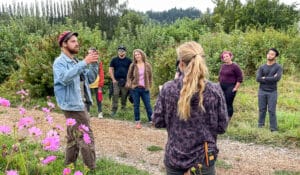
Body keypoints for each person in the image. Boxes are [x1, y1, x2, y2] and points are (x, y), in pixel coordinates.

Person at [152, 41, 229, 175]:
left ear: (181, 63)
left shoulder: (168, 88)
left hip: (175, 158)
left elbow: (157, 121)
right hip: (203, 160)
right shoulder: (215, 90)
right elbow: (222, 127)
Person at [53, 31, 98, 170]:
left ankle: (69, 165)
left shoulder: (75, 61)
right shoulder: (59, 62)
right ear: (64, 44)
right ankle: (90, 168)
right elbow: (64, 78)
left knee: (73, 136)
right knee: (86, 136)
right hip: (72, 106)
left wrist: (94, 64)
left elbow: (89, 79)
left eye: (76, 41)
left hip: (80, 102)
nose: (77, 43)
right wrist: (84, 62)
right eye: (72, 41)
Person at [256, 48, 282, 132]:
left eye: (272, 54)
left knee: (271, 110)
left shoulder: (278, 67)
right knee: (262, 109)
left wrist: (264, 78)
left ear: (275, 56)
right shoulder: (262, 67)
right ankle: (260, 125)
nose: (269, 55)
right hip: (262, 91)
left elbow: (277, 78)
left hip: (272, 91)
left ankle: (273, 128)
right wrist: (270, 78)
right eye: (269, 54)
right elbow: (258, 78)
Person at [126, 49, 153, 129]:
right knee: (136, 105)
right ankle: (137, 122)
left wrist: (150, 85)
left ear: (142, 55)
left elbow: (151, 76)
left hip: (145, 89)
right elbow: (129, 76)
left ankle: (152, 121)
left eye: (138, 54)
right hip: (135, 89)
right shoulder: (133, 65)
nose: (137, 56)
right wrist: (130, 84)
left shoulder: (147, 65)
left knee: (148, 105)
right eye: (135, 55)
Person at [218, 51, 243, 118]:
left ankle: (228, 118)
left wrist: (236, 88)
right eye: (224, 57)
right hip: (221, 86)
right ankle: (223, 117)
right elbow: (220, 76)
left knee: (228, 102)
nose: (226, 58)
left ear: (231, 57)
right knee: (222, 102)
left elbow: (240, 77)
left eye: (227, 56)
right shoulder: (223, 66)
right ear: (223, 59)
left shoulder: (235, 66)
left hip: (230, 86)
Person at [109, 45, 132, 117]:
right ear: (118, 52)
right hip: (116, 80)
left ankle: (123, 109)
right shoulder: (114, 60)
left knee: (124, 95)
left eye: (122, 51)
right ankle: (114, 110)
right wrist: (113, 79)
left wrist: (129, 81)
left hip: (125, 81)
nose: (121, 52)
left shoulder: (129, 60)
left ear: (125, 52)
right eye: (119, 51)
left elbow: (131, 71)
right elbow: (111, 69)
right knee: (115, 95)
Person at [88, 48, 105, 119]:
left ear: (95, 54)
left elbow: (101, 74)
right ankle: (87, 112)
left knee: (99, 98)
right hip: (88, 82)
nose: (90, 54)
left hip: (97, 83)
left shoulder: (99, 62)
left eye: (91, 53)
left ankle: (100, 112)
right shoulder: (86, 62)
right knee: (87, 97)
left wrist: (100, 85)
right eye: (89, 53)